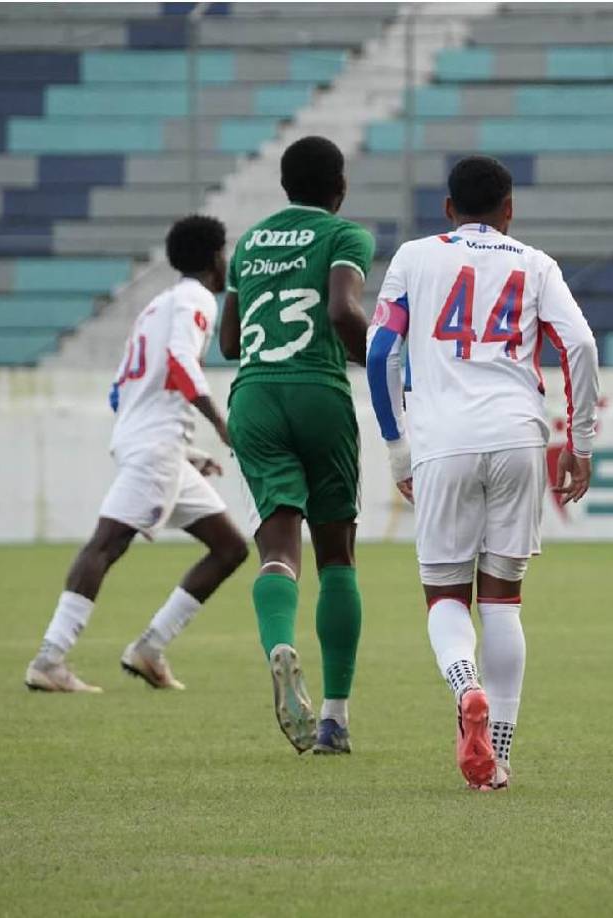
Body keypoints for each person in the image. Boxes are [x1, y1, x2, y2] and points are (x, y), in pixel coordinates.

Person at [365, 155, 600, 790]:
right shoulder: (536, 264)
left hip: (444, 441)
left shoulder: (413, 258)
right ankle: (494, 755)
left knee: (445, 596)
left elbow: (382, 350)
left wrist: (396, 446)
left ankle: (465, 689)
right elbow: (579, 345)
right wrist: (577, 442)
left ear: (447, 209)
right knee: (503, 601)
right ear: (510, 209)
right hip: (519, 436)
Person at [25, 215, 248, 693]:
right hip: (155, 446)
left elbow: (120, 391)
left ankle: (149, 649)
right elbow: (180, 363)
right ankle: (50, 658)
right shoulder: (197, 300)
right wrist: (219, 423)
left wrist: (186, 452)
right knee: (106, 544)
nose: (226, 261)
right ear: (214, 258)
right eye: (223, 253)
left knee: (230, 547)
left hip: (155, 442)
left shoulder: (157, 306)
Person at [219, 136, 375, 755]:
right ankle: (334, 718)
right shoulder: (344, 236)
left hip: (254, 396)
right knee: (337, 554)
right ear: (338, 187)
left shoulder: (250, 242)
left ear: (283, 186)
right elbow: (342, 311)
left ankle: (279, 644)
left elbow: (229, 343)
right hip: (318, 391)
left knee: (279, 548)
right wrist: (395, 364)